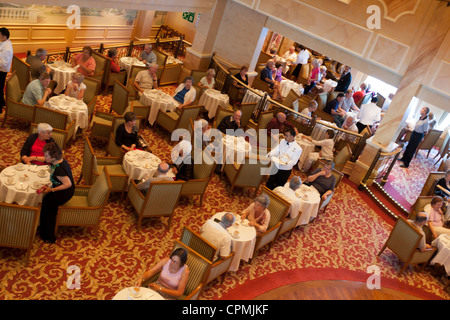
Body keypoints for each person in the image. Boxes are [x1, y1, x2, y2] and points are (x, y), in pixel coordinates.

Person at [39, 142, 75, 243]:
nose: (44, 157)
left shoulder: (59, 169)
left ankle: (49, 236)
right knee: (45, 200)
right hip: (59, 187)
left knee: (47, 207)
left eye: (46, 155)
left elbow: (68, 184)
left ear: (53, 156)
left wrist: (52, 190)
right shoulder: (58, 161)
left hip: (65, 192)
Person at [0, 27, 13, 114]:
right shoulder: (4, 42)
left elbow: (3, 63)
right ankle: (2, 102)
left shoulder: (7, 48)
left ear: (4, 36)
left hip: (2, 70)